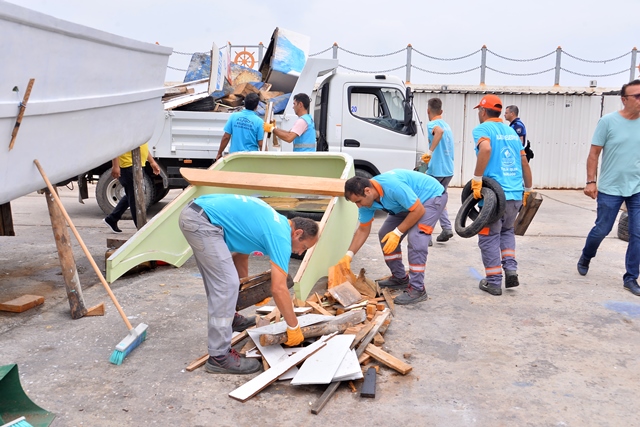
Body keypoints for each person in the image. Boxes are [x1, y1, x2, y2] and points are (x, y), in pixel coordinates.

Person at [179, 194, 319, 374]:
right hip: (202, 221)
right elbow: (279, 288)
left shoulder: (274, 222)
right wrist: (293, 327)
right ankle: (219, 357)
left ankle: (231, 319)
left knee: (224, 280)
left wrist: (246, 291)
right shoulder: (281, 236)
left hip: (199, 214)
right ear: (297, 233)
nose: (300, 253)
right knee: (226, 285)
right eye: (304, 247)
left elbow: (240, 254)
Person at [334, 170, 447, 305]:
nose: (359, 205)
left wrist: (398, 232)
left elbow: (418, 210)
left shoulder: (393, 187)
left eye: (358, 201)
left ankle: (418, 289)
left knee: (416, 238)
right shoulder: (366, 201)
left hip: (430, 197)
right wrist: (349, 255)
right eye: (355, 203)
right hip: (406, 205)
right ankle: (400, 278)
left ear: (367, 191)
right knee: (385, 234)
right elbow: (363, 230)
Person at [577, 79, 640, 296]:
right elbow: (594, 154)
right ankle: (587, 255)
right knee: (602, 229)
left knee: (638, 233)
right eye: (637, 96)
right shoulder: (608, 122)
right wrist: (590, 181)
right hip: (611, 187)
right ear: (624, 100)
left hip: (637, 188)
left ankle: (631, 277)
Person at [471, 94, 533, 296]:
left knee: (488, 236)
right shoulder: (512, 132)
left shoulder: (482, 129)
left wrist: (477, 178)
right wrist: (528, 190)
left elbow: (486, 148)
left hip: (495, 198)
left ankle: (494, 282)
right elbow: (524, 162)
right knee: (506, 231)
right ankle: (511, 269)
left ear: (483, 111)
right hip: (515, 195)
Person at [103, 142, 160, 233]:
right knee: (135, 198)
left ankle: (112, 219)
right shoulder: (126, 133)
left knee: (132, 195)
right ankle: (142, 229)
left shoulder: (140, 134)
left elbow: (143, 146)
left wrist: (152, 162)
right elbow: (116, 146)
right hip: (128, 166)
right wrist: (115, 166)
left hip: (138, 165)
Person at [421, 98, 455, 243]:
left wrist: (429, 152)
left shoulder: (432, 125)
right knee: (440, 199)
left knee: (427, 201)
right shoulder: (447, 125)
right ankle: (446, 228)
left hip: (436, 170)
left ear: (428, 111)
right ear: (441, 111)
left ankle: (425, 235)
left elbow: (438, 132)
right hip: (448, 170)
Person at [216, 93, 265, 160]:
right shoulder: (259, 122)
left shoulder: (234, 116)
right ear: (256, 106)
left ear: (244, 104)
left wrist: (219, 153)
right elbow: (261, 144)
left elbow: (226, 137)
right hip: (251, 158)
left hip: (234, 157)